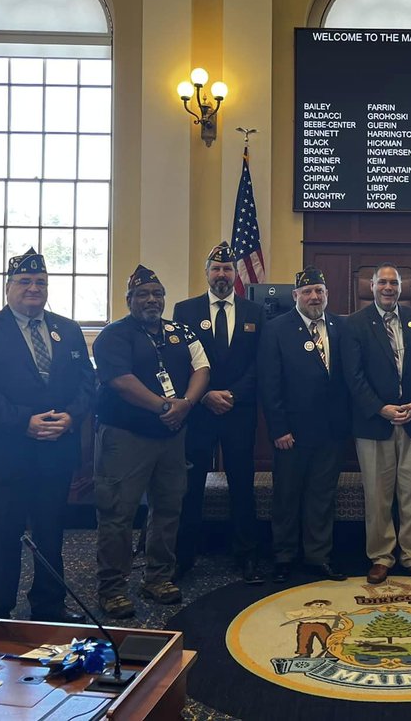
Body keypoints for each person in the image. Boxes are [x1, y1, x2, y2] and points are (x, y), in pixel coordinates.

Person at [0, 247, 94, 622]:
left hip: (55, 451)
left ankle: (50, 604)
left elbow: (87, 383)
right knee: (1, 534)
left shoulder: (67, 330)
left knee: (51, 533)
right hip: (5, 454)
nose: (33, 288)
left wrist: (70, 417)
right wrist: (25, 422)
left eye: (40, 282)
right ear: (8, 287)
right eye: (24, 281)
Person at [92, 265, 210, 619]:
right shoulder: (113, 336)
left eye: (157, 294)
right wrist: (163, 406)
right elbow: (120, 381)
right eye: (143, 294)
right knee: (118, 513)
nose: (151, 300)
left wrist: (186, 405)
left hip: (171, 437)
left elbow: (202, 368)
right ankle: (112, 588)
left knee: (168, 508)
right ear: (129, 299)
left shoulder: (180, 331)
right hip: (125, 437)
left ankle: (158, 577)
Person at [172, 242, 265, 585]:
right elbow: (181, 361)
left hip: (239, 410)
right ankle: (185, 556)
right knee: (191, 485)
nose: (222, 274)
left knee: (242, 484)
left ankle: (246, 555)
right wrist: (205, 394)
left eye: (228, 269)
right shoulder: (185, 310)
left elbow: (260, 363)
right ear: (207, 273)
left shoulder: (255, 312)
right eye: (216, 269)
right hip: (199, 411)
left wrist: (234, 394)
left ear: (236, 274)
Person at [342, 263, 411, 585]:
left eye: (393, 283)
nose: (388, 288)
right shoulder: (355, 323)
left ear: (402, 288)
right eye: (382, 282)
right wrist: (379, 408)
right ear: (370, 286)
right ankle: (381, 556)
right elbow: (352, 376)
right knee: (377, 495)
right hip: (374, 424)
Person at [258, 266, 351, 583]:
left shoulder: (341, 326)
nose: (314, 297)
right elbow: (269, 384)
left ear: (327, 295)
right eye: (308, 291)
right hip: (291, 433)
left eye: (319, 291)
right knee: (286, 496)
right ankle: (284, 556)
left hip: (332, 432)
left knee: (322, 497)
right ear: (295, 295)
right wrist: (278, 428)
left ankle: (318, 556)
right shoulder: (276, 328)